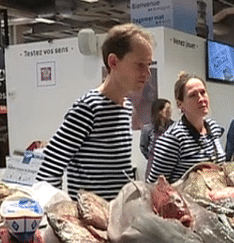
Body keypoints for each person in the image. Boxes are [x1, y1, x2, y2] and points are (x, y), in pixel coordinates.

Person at [36, 23, 154, 200]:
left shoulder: (127, 109)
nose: (147, 73)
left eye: (149, 65)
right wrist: (63, 213)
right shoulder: (88, 108)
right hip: (89, 221)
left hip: (114, 219)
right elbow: (49, 167)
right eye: (139, 65)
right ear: (113, 62)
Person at [146, 72, 226, 183]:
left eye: (203, 93)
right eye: (193, 95)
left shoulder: (213, 128)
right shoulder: (173, 138)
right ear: (180, 104)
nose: (201, 99)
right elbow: (154, 186)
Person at [140, 98, 173, 177]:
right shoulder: (147, 129)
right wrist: (152, 158)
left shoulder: (175, 127)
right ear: (160, 111)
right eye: (167, 109)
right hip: (153, 168)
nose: (170, 112)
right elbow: (143, 147)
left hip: (171, 167)